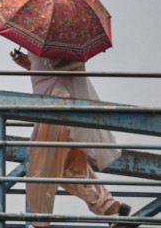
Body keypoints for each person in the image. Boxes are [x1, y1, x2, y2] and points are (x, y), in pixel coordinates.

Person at [10, 49, 130, 228]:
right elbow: (52, 69)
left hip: (56, 108)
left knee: (41, 169)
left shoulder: (56, 43)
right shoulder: (57, 42)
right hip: (61, 107)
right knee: (71, 168)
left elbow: (58, 66)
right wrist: (30, 64)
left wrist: (37, 61)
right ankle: (109, 206)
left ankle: (39, 223)